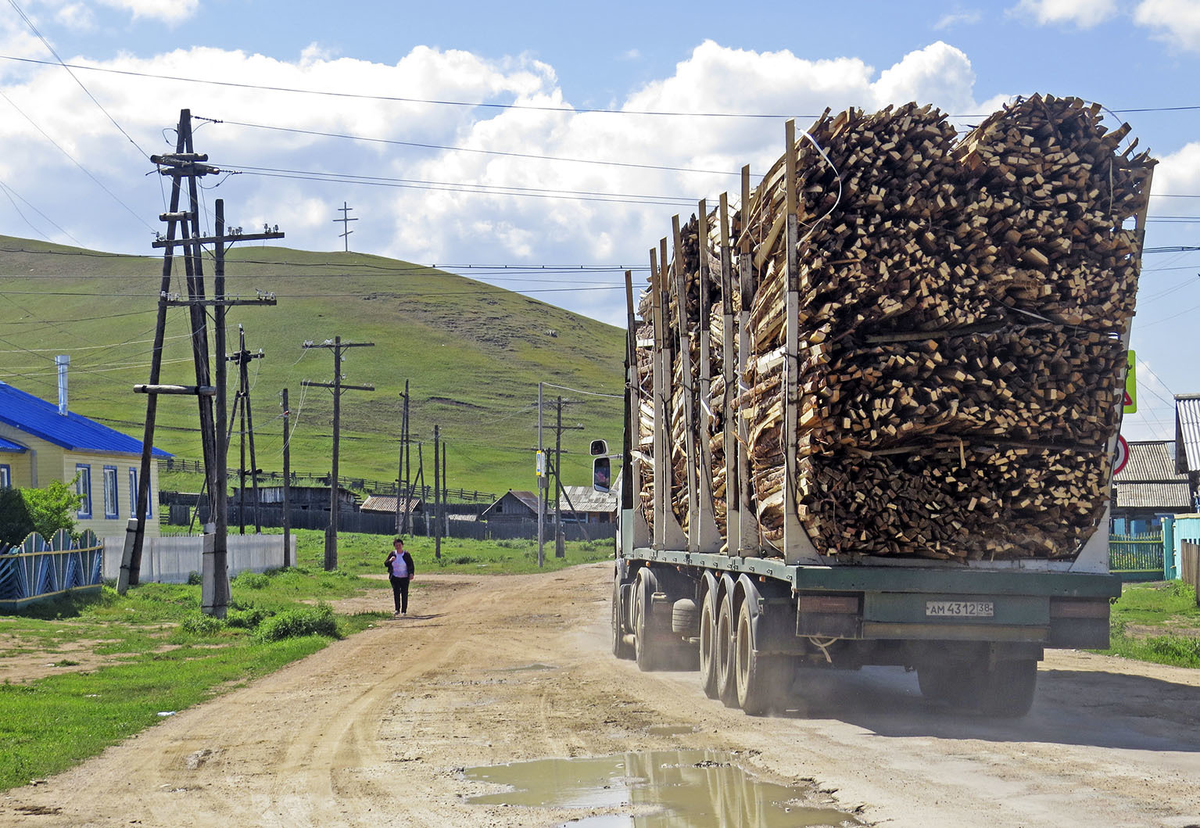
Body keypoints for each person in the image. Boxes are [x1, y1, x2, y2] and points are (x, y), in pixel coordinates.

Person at [384, 536, 415, 617]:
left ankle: (404, 610)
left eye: (399, 545)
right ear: (394, 546)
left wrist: (411, 573)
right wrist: (390, 560)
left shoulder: (406, 555)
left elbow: (411, 565)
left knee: (404, 593)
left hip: (404, 577)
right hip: (394, 577)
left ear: (402, 545)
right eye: (396, 545)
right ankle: (397, 609)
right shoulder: (392, 554)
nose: (398, 546)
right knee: (396, 593)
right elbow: (386, 564)